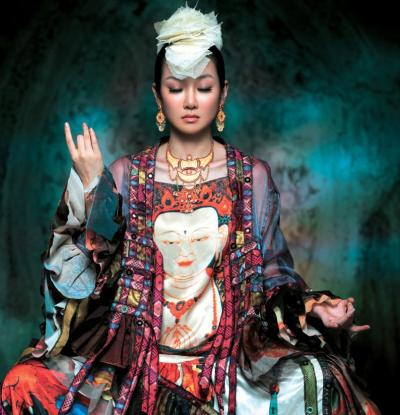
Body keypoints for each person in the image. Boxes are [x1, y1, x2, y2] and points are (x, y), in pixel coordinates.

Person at [0, 3, 381, 415]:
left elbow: (273, 273)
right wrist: (94, 187)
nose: (190, 101)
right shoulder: (128, 173)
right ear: (157, 95)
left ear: (223, 93)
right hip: (137, 363)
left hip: (229, 366)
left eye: (203, 87)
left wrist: (312, 308)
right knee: (25, 382)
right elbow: (93, 277)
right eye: (176, 88)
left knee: (321, 379)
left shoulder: (250, 176)